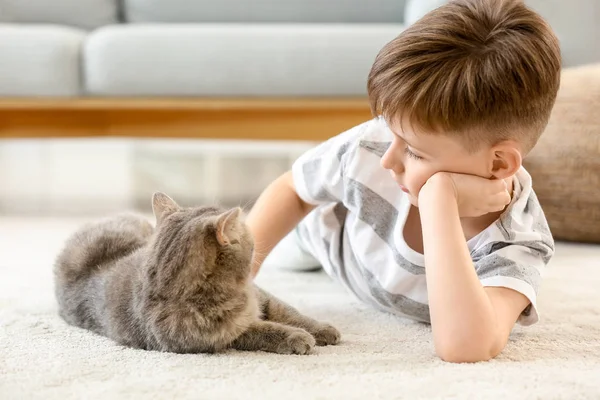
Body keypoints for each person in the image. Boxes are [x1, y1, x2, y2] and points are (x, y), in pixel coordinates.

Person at [246, 0, 561, 363]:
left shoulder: (519, 240)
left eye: (415, 151)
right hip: (327, 240)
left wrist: (439, 199)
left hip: (385, 252)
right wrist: (238, 278)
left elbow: (465, 346)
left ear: (499, 163)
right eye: (389, 130)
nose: (387, 159)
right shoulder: (372, 145)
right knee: (263, 254)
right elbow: (294, 190)